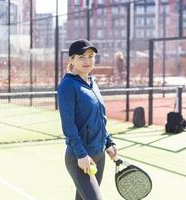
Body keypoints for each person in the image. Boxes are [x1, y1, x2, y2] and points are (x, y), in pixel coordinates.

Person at [58, 39, 117, 200]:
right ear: (71, 59)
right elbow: (68, 126)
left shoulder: (92, 83)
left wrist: (109, 142)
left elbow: (100, 117)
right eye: (81, 57)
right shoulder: (67, 86)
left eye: (90, 56)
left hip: (99, 155)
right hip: (81, 158)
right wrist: (81, 155)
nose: (87, 61)